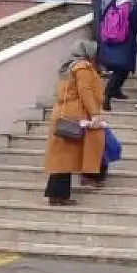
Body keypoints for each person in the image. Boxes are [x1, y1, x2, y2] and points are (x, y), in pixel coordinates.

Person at [43, 40, 108, 206]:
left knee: (64, 156)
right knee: (67, 156)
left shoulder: (68, 67)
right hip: (75, 114)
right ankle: (60, 195)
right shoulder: (82, 68)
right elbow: (85, 91)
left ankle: (89, 177)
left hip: (65, 112)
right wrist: (95, 113)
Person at [97, 0, 137, 110]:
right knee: (121, 69)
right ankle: (107, 96)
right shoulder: (131, 5)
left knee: (122, 68)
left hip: (112, 40)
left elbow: (102, 18)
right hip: (126, 40)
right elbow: (135, 23)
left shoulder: (115, 2)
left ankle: (116, 90)